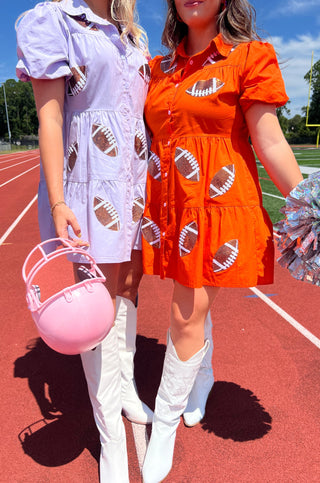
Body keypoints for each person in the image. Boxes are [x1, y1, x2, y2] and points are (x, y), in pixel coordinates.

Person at [141, 0, 304, 481]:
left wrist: (309, 207)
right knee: (194, 305)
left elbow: (269, 140)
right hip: (170, 206)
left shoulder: (249, 56)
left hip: (215, 206)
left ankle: (165, 423)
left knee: (185, 309)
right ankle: (203, 375)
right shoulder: (158, 67)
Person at [16, 0, 153, 481]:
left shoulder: (133, 34)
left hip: (134, 177)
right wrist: (58, 202)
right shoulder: (52, 19)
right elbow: (50, 118)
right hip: (88, 180)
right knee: (100, 303)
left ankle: (128, 387)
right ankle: (110, 432)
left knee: (130, 287)